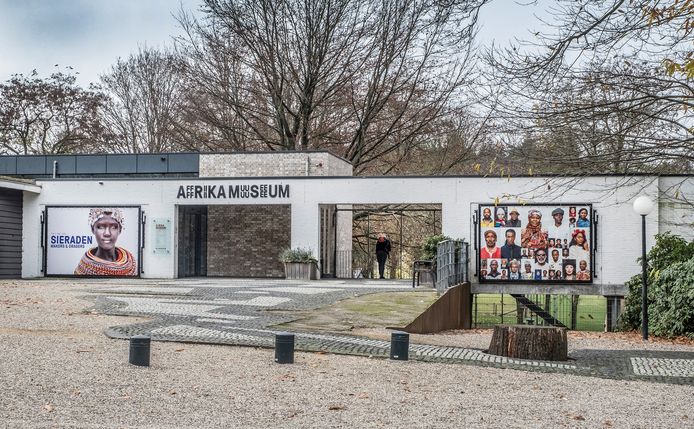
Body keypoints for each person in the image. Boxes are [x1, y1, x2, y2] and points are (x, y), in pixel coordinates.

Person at [75, 208, 137, 276]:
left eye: (114, 227)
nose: (107, 233)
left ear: (120, 230)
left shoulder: (131, 265)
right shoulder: (83, 269)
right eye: (100, 227)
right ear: (93, 229)